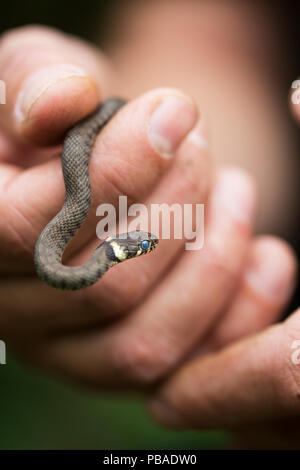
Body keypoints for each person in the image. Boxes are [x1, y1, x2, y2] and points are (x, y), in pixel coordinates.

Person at [0, 0, 298, 449]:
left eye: (135, 246)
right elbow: (212, 32)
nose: (141, 244)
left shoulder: (79, 240)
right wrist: (162, 161)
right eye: (137, 246)